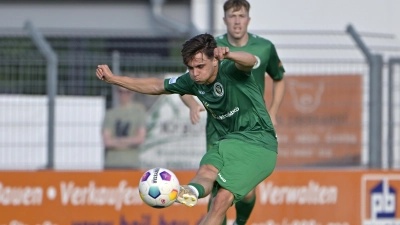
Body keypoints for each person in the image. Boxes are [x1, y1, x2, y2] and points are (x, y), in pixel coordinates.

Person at [96, 33, 277, 225]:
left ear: (215, 60)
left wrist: (230, 54)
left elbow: (251, 61)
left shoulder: (230, 69)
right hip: (228, 142)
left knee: (222, 199)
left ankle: (239, 221)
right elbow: (157, 86)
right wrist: (114, 79)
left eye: (200, 66)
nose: (195, 73)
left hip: (260, 143)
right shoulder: (192, 80)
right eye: (191, 68)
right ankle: (189, 192)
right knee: (207, 170)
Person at [179, 0, 286, 224]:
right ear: (224, 20)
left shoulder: (264, 47)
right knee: (217, 192)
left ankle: (240, 222)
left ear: (248, 19)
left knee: (245, 192)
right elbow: (187, 82)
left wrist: (273, 111)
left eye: (241, 16)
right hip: (219, 128)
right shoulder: (210, 48)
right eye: (232, 16)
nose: (237, 21)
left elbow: (279, 78)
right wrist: (191, 104)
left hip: (250, 129)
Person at [102, 86, 147, 169]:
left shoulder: (138, 113)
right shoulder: (110, 114)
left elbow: (140, 139)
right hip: (111, 164)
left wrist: (117, 141)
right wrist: (129, 141)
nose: (124, 95)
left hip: (132, 164)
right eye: (121, 91)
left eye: (127, 92)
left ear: (132, 93)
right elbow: (107, 142)